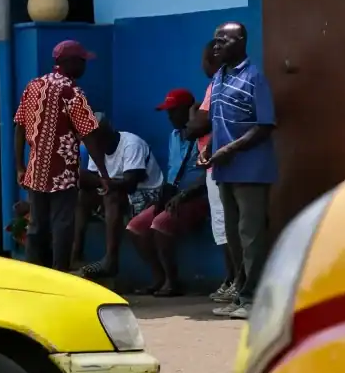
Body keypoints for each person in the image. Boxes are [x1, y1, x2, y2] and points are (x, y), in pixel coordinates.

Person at [199, 22, 277, 319]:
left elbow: (265, 125)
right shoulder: (219, 77)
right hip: (224, 170)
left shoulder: (255, 77)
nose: (217, 45)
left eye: (224, 40)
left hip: (252, 170)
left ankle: (254, 299)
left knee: (251, 235)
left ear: (241, 41)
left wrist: (230, 149)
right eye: (215, 40)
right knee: (232, 235)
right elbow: (218, 122)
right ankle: (241, 295)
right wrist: (210, 148)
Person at [14, 40, 110, 272]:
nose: (85, 66)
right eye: (82, 61)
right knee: (63, 224)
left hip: (36, 170)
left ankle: (34, 272)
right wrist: (104, 172)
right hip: (63, 172)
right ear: (70, 63)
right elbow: (89, 133)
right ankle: (60, 272)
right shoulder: (72, 91)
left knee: (37, 224)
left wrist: (20, 166)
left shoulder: (34, 85)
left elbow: (19, 125)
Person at [125, 88, 211, 296]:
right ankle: (158, 278)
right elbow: (173, 172)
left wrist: (183, 196)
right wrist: (160, 199)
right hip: (175, 196)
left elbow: (207, 175)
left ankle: (173, 283)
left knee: (160, 225)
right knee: (135, 227)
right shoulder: (174, 136)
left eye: (174, 111)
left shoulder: (205, 137)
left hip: (198, 197)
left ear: (188, 111)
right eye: (168, 112)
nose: (170, 116)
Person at [73, 117, 164, 280]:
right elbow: (96, 179)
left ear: (103, 135)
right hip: (119, 194)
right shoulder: (97, 148)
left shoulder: (131, 144)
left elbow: (131, 183)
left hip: (148, 194)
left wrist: (105, 184)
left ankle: (111, 260)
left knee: (112, 196)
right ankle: (75, 255)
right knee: (83, 196)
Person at [188, 40, 238, 303]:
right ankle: (233, 280)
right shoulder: (229, 83)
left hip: (219, 166)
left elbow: (197, 126)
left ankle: (235, 282)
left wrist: (192, 113)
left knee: (226, 227)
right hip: (223, 165)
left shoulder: (217, 85)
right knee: (227, 226)